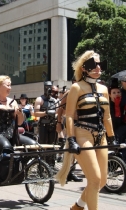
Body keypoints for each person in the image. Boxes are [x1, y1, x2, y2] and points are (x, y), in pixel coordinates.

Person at [56, 50, 117, 210]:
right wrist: (71, 139)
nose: (98, 68)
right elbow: (69, 116)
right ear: (83, 68)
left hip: (101, 135)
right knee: (95, 179)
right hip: (82, 133)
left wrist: (112, 138)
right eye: (93, 65)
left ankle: (77, 207)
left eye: (100, 64)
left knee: (101, 180)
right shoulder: (76, 87)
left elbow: (107, 117)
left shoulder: (104, 89)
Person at [56, 77, 83, 182]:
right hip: (71, 123)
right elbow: (60, 108)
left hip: (82, 123)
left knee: (77, 150)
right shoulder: (69, 92)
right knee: (70, 148)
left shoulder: (85, 91)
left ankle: (71, 172)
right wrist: (58, 123)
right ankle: (66, 172)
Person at [34, 81, 58, 168]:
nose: (48, 89)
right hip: (43, 125)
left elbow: (58, 113)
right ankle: (41, 166)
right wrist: (46, 113)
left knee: (52, 145)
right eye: (47, 87)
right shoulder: (39, 99)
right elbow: (36, 113)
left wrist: (55, 115)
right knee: (42, 145)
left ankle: (51, 165)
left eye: (50, 87)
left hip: (52, 125)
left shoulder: (54, 100)